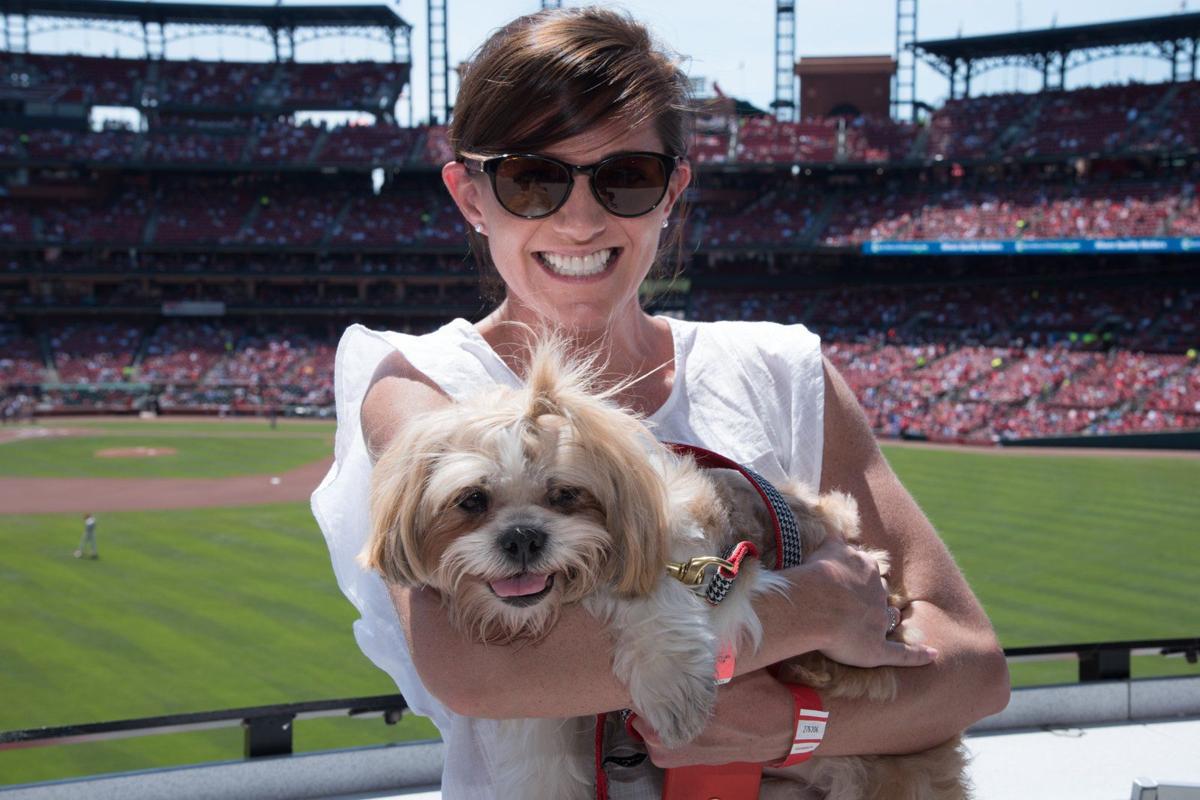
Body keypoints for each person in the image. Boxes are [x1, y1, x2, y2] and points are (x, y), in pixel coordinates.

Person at [311, 8, 1008, 798]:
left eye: (626, 176)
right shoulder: (420, 389)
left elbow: (973, 669)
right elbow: (479, 676)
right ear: (471, 195)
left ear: (672, 188)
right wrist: (809, 611)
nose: (580, 219)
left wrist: (791, 724)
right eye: (531, 178)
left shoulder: (781, 372)